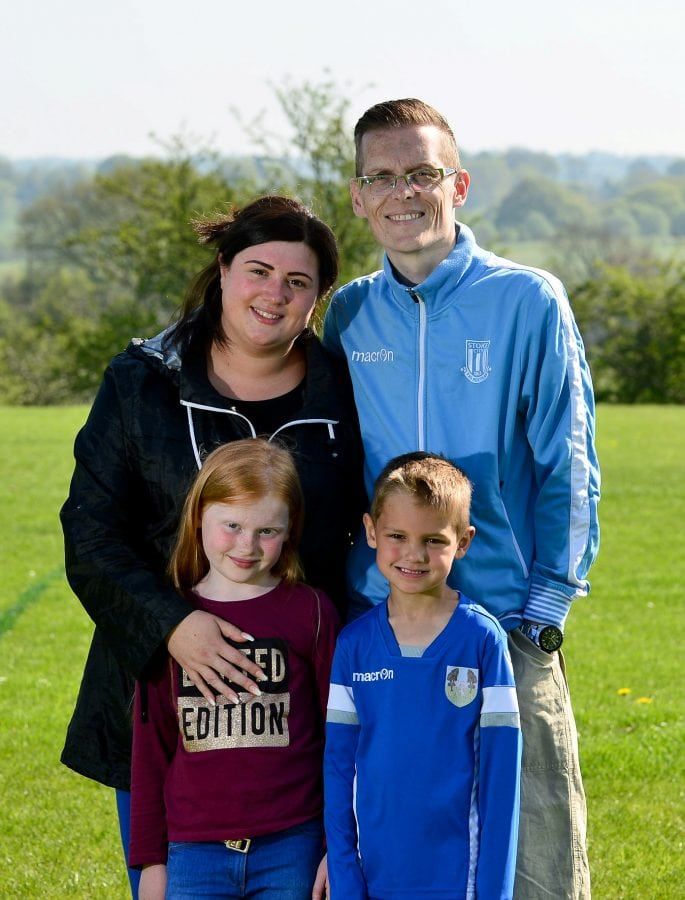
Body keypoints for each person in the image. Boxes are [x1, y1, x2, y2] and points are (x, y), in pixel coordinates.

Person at [323, 100, 600, 899]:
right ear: (357, 196)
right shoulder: (348, 312)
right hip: (385, 630)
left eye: (422, 173)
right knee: (397, 848)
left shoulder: (526, 301)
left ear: (459, 184)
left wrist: (544, 606)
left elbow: (568, 461)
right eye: (382, 176)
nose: (402, 193)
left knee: (533, 857)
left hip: (507, 623)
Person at [60, 195, 362, 895]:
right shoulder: (142, 382)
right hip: (164, 703)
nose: (274, 294)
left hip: (295, 725)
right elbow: (91, 533)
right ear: (223, 270)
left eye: (298, 282)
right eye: (258, 270)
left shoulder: (342, 394)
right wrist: (173, 625)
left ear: (317, 298)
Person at [129, 438, 337, 900]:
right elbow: (150, 750)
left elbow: (339, 739)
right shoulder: (170, 617)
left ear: (289, 530)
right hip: (193, 853)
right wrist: (150, 862)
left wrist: (334, 846)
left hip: (292, 845)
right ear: (199, 514)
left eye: (267, 531)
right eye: (232, 525)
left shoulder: (310, 611)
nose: (247, 545)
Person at [324, 452, 522, 899]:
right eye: (397, 535)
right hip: (372, 877)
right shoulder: (353, 645)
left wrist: (494, 890)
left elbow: (502, 782)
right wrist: (345, 877)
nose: (414, 554)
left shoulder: (482, 639)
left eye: (434, 540)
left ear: (464, 542)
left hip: (459, 878)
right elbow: (338, 771)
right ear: (371, 532)